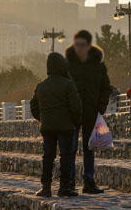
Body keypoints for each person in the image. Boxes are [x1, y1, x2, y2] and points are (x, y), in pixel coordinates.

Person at [29, 52, 83, 198]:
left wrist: (42, 119)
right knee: (65, 156)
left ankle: (45, 187)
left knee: (48, 156)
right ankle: (64, 187)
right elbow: (76, 107)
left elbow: (33, 106)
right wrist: (74, 121)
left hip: (47, 127)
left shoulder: (41, 86)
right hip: (65, 127)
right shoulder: (68, 85)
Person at [65, 29, 111, 194]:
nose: (79, 48)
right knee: (70, 148)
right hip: (72, 113)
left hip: (91, 112)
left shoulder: (97, 65)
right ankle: (69, 182)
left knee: (89, 147)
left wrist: (101, 107)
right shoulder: (68, 65)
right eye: (76, 45)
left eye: (82, 45)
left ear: (89, 46)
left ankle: (89, 181)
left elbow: (106, 87)